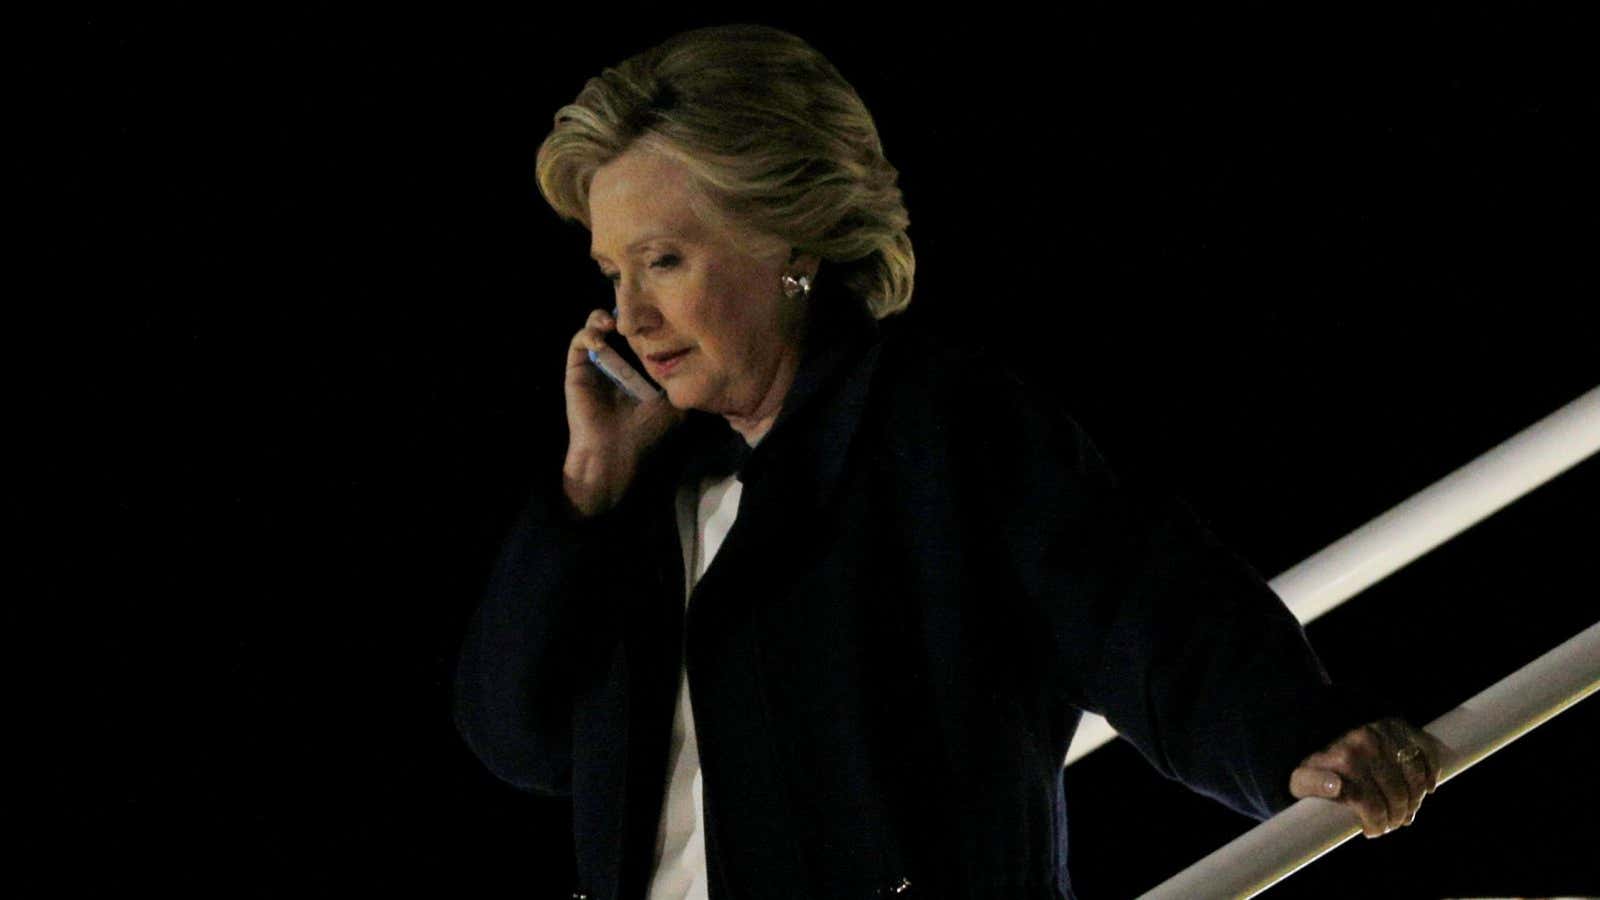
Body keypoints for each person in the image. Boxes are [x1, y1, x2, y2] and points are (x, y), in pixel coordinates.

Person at [454, 24, 1443, 899]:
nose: (630, 315)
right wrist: (586, 491)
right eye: (612, 272)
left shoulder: (940, 425)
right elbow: (522, 742)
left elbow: (1148, 609)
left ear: (787, 240)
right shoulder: (644, 486)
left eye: (663, 261)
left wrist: (1296, 740)